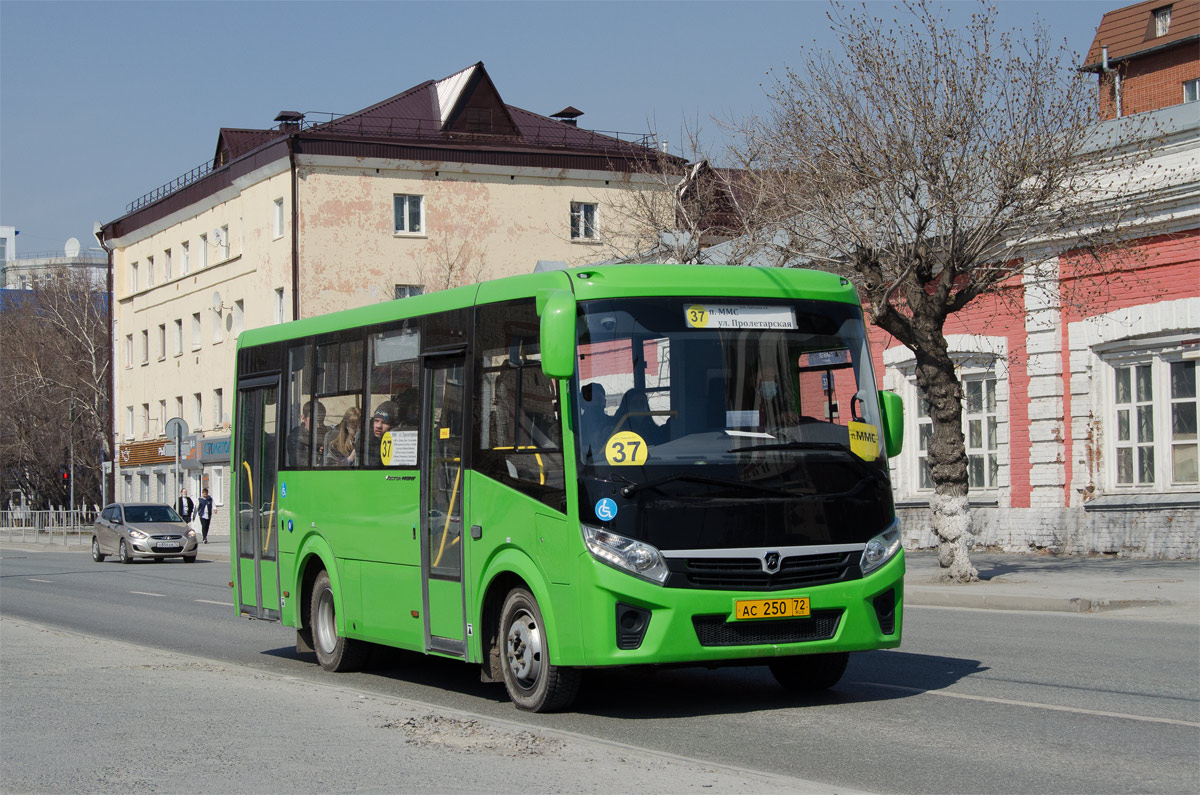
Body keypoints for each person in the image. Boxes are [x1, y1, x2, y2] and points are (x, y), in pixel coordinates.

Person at [286, 399, 327, 467]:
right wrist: (318, 455)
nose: (318, 425)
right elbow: (297, 462)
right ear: (303, 418)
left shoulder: (325, 432)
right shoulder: (296, 436)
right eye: (315, 421)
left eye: (321, 421)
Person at [578, 382, 612, 460]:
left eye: (599, 399)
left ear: (604, 402)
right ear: (582, 404)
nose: (596, 403)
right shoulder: (577, 425)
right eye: (592, 399)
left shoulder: (614, 422)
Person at [366, 400, 398, 466]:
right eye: (376, 421)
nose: (378, 426)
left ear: (393, 426)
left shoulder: (398, 445)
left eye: (384, 423)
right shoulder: (366, 442)